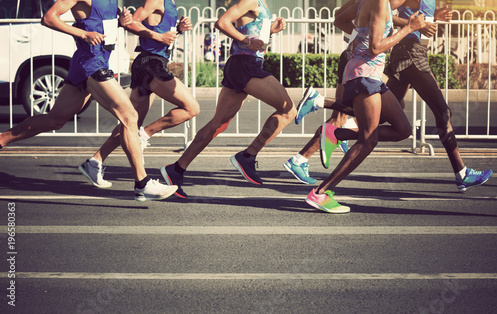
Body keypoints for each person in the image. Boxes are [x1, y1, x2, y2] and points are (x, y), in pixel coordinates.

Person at [0, 0, 177, 202]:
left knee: (54, 120)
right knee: (129, 116)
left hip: (92, 63)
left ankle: (2, 139)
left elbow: (102, 24)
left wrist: (121, 22)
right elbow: (49, 18)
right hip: (90, 64)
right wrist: (83, 34)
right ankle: (142, 183)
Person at [160, 0, 296, 198]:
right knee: (288, 109)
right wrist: (247, 41)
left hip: (243, 65)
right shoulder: (250, 1)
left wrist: (271, 31)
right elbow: (222, 22)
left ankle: (177, 170)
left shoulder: (262, 3)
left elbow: (253, 32)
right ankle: (247, 157)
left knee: (218, 123)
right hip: (245, 66)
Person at [304, 0, 426, 213]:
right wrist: (409, 28)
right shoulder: (379, 3)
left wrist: (361, 35)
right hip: (364, 75)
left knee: (402, 129)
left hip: (371, 76)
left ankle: (335, 133)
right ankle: (321, 192)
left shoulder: (372, 2)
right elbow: (376, 47)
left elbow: (340, 19)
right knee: (369, 140)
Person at [78, 0, 200, 189]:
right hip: (150, 63)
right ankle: (145, 135)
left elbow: (161, 29)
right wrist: (159, 37)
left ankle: (95, 161)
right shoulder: (156, 0)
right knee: (191, 107)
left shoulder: (171, 3)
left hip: (151, 63)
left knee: (130, 123)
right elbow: (132, 22)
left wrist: (179, 29)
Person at [386, 0, 493, 192]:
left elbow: (416, 16)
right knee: (443, 111)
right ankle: (462, 174)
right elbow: (384, 13)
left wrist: (434, 18)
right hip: (409, 53)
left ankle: (337, 132)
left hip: (414, 52)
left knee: (380, 113)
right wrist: (412, 25)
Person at [284, 47, 356, 184]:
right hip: (361, 60)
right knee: (340, 118)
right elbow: (341, 23)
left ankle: (346, 127)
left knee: (396, 108)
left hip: (361, 58)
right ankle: (299, 160)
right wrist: (408, 27)